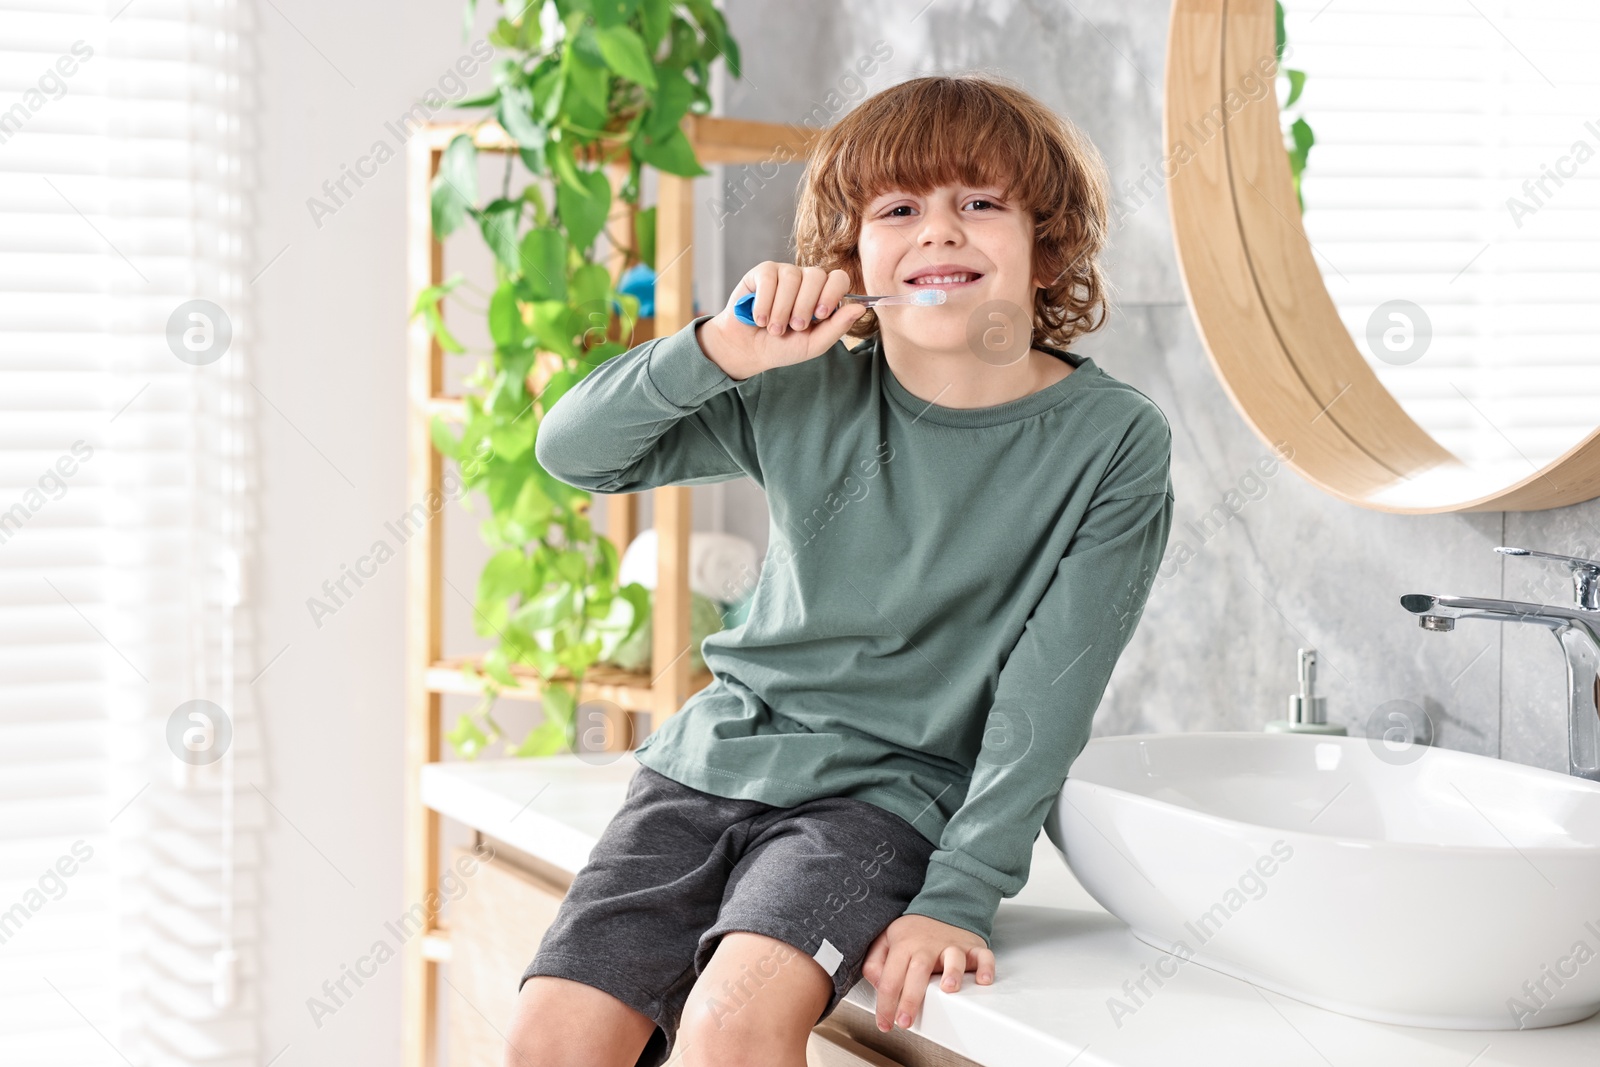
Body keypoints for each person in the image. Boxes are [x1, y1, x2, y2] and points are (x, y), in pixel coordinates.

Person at [503, 72, 1175, 1067]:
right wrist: (719, 348)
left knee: (733, 1025)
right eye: (899, 208)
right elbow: (573, 451)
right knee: (547, 1038)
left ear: (1048, 244)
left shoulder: (1110, 441)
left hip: (884, 794)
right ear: (851, 253)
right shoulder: (799, 386)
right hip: (707, 764)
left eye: (978, 203)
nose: (939, 232)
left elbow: (1048, 693)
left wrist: (960, 892)